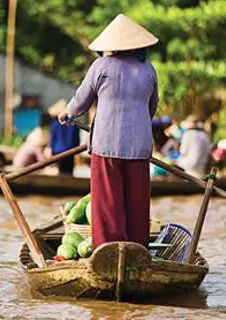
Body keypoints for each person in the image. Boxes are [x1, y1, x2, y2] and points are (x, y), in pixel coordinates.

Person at [58, 14, 159, 249]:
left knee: (107, 202)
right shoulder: (148, 70)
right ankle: (137, 249)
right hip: (140, 146)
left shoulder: (102, 66)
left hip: (107, 145)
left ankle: (109, 250)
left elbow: (81, 100)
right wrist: (137, 128)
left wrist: (67, 114)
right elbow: (151, 106)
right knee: (137, 202)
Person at [48, 99, 80, 175]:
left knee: (61, 173)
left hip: (59, 151)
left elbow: (52, 139)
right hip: (71, 151)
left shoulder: (55, 124)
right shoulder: (73, 123)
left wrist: (51, 150)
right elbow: (76, 138)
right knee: (69, 173)